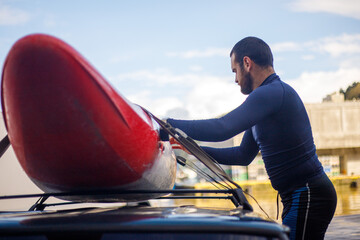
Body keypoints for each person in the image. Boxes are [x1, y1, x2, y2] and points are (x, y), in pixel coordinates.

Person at [165, 37, 337, 240]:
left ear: (247, 63)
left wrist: (168, 124)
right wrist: (191, 149)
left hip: (308, 194)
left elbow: (223, 128)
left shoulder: (271, 93)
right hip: (297, 196)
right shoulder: (266, 100)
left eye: (234, 71)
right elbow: (242, 155)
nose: (235, 79)